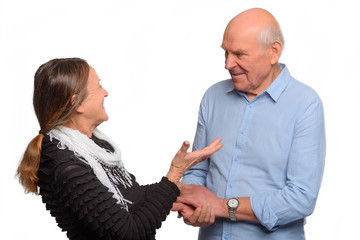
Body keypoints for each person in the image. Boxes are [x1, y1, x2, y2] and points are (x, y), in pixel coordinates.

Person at [17, 57, 223, 240]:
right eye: (98, 87)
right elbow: (129, 233)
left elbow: (132, 198)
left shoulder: (92, 145)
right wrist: (174, 175)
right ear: (77, 103)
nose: (106, 93)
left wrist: (177, 190)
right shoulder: (64, 164)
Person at [177, 8, 326, 240]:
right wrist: (192, 205)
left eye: (239, 54)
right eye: (225, 52)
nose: (228, 64)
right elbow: (197, 170)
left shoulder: (306, 104)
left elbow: (301, 198)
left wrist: (221, 206)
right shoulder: (212, 97)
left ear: (273, 51)